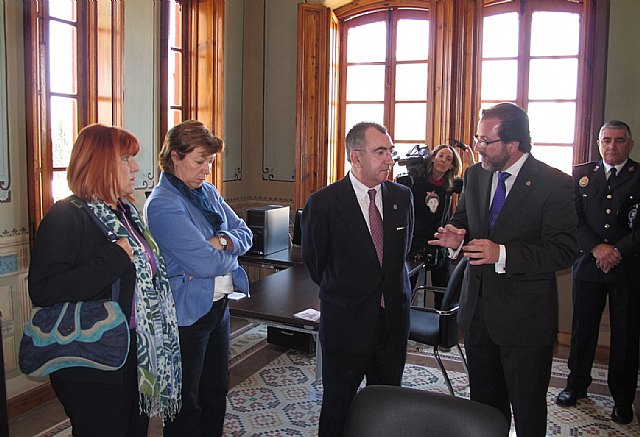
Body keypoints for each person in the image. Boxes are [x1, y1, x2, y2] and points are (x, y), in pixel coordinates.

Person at [428, 103, 578, 436]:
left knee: (527, 409)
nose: (478, 147)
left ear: (514, 145)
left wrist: (503, 254)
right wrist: (455, 236)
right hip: (479, 315)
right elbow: (463, 220)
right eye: (477, 138)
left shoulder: (554, 183)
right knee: (484, 408)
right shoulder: (475, 175)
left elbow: (563, 250)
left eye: (486, 141)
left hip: (525, 321)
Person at [28, 124, 182, 436]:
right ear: (99, 163)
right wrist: (112, 259)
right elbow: (44, 290)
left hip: (133, 351)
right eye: (126, 158)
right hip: (91, 361)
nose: (136, 166)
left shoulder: (126, 212)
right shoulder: (66, 216)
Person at [301, 121, 414, 436]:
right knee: (338, 408)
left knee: (387, 408)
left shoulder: (402, 197)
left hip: (392, 322)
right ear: (356, 157)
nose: (389, 160)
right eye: (380, 152)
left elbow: (399, 257)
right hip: (346, 324)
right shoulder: (323, 204)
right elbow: (315, 264)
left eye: (390, 152)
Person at [145, 120, 252, 437]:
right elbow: (205, 264)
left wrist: (220, 242)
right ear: (175, 157)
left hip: (218, 307)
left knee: (216, 392)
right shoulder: (163, 204)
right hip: (187, 314)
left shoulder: (207, 192)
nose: (207, 169)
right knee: (186, 404)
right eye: (200, 161)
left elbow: (244, 234)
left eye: (210, 162)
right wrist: (226, 246)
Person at [556, 120, 640, 425]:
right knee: (582, 331)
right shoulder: (581, 174)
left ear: (630, 144)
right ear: (598, 143)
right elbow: (572, 219)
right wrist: (597, 249)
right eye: (606, 140)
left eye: (619, 141)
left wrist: (617, 251)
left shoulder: (638, 176)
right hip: (589, 265)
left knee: (625, 336)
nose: (612, 146)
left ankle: (622, 398)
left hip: (627, 267)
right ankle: (576, 385)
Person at [406, 144, 463, 306]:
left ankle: (443, 329)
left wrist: (472, 161)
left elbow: (473, 185)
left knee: (444, 292)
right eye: (441, 156)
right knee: (407, 288)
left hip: (439, 244)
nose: (443, 161)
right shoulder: (417, 180)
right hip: (415, 243)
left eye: (448, 159)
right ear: (433, 158)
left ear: (452, 165)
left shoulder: (450, 185)